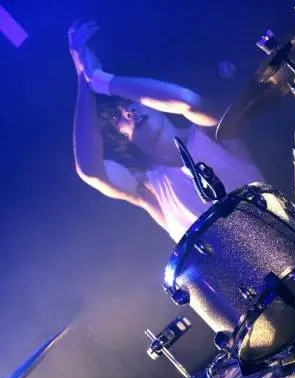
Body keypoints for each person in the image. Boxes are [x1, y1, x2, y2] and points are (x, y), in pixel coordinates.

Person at [68, 20, 266, 243]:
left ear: (150, 101)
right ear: (121, 137)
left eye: (129, 102)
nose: (128, 112)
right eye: (117, 116)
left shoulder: (212, 132)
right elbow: (91, 171)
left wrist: (100, 80)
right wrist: (83, 78)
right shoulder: (147, 188)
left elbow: (188, 102)